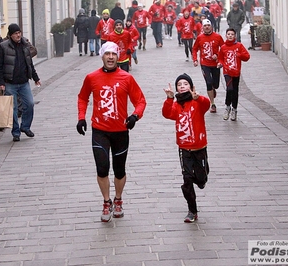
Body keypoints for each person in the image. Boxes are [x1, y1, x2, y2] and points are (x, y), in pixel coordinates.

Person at [76, 41, 146, 222]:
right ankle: (106, 202)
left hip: (120, 131)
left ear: (118, 56)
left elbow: (140, 101)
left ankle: (118, 199)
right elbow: (83, 97)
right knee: (102, 169)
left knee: (119, 170)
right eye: (107, 54)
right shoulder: (91, 77)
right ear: (102, 56)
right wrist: (81, 117)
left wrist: (135, 117)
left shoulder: (126, 78)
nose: (110, 57)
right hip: (99, 130)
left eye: (113, 54)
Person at [162, 73, 210, 223]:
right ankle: (192, 210)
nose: (182, 86)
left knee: (201, 178)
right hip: (184, 148)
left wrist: (198, 98)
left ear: (191, 86)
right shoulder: (176, 105)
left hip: (199, 146)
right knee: (187, 179)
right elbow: (167, 114)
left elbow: (207, 104)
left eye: (185, 84)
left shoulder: (198, 103)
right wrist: (169, 99)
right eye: (179, 85)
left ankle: (202, 177)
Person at [0, 23, 41, 142]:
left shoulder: (25, 44)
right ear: (10, 35)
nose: (18, 35)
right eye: (16, 33)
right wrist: (0, 82)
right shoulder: (3, 46)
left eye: (19, 32)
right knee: (13, 109)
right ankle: (16, 132)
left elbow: (29, 63)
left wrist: (35, 78)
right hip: (10, 83)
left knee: (30, 104)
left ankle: (25, 127)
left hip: (24, 82)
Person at [217, 28, 250, 121]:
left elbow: (247, 57)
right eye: (228, 34)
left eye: (232, 34)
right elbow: (220, 58)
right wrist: (220, 63)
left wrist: (240, 55)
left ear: (235, 36)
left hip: (236, 72)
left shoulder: (239, 46)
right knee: (229, 88)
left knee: (235, 91)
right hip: (227, 72)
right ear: (226, 36)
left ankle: (234, 109)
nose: (230, 36)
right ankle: (227, 107)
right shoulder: (223, 47)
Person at [192, 19, 224, 113]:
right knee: (209, 82)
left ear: (211, 27)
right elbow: (194, 49)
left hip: (215, 64)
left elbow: (224, 48)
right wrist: (195, 60)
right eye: (205, 26)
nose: (206, 27)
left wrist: (217, 55)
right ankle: (212, 104)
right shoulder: (200, 37)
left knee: (216, 84)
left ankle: (214, 88)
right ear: (202, 27)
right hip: (204, 64)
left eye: (208, 25)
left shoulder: (217, 37)